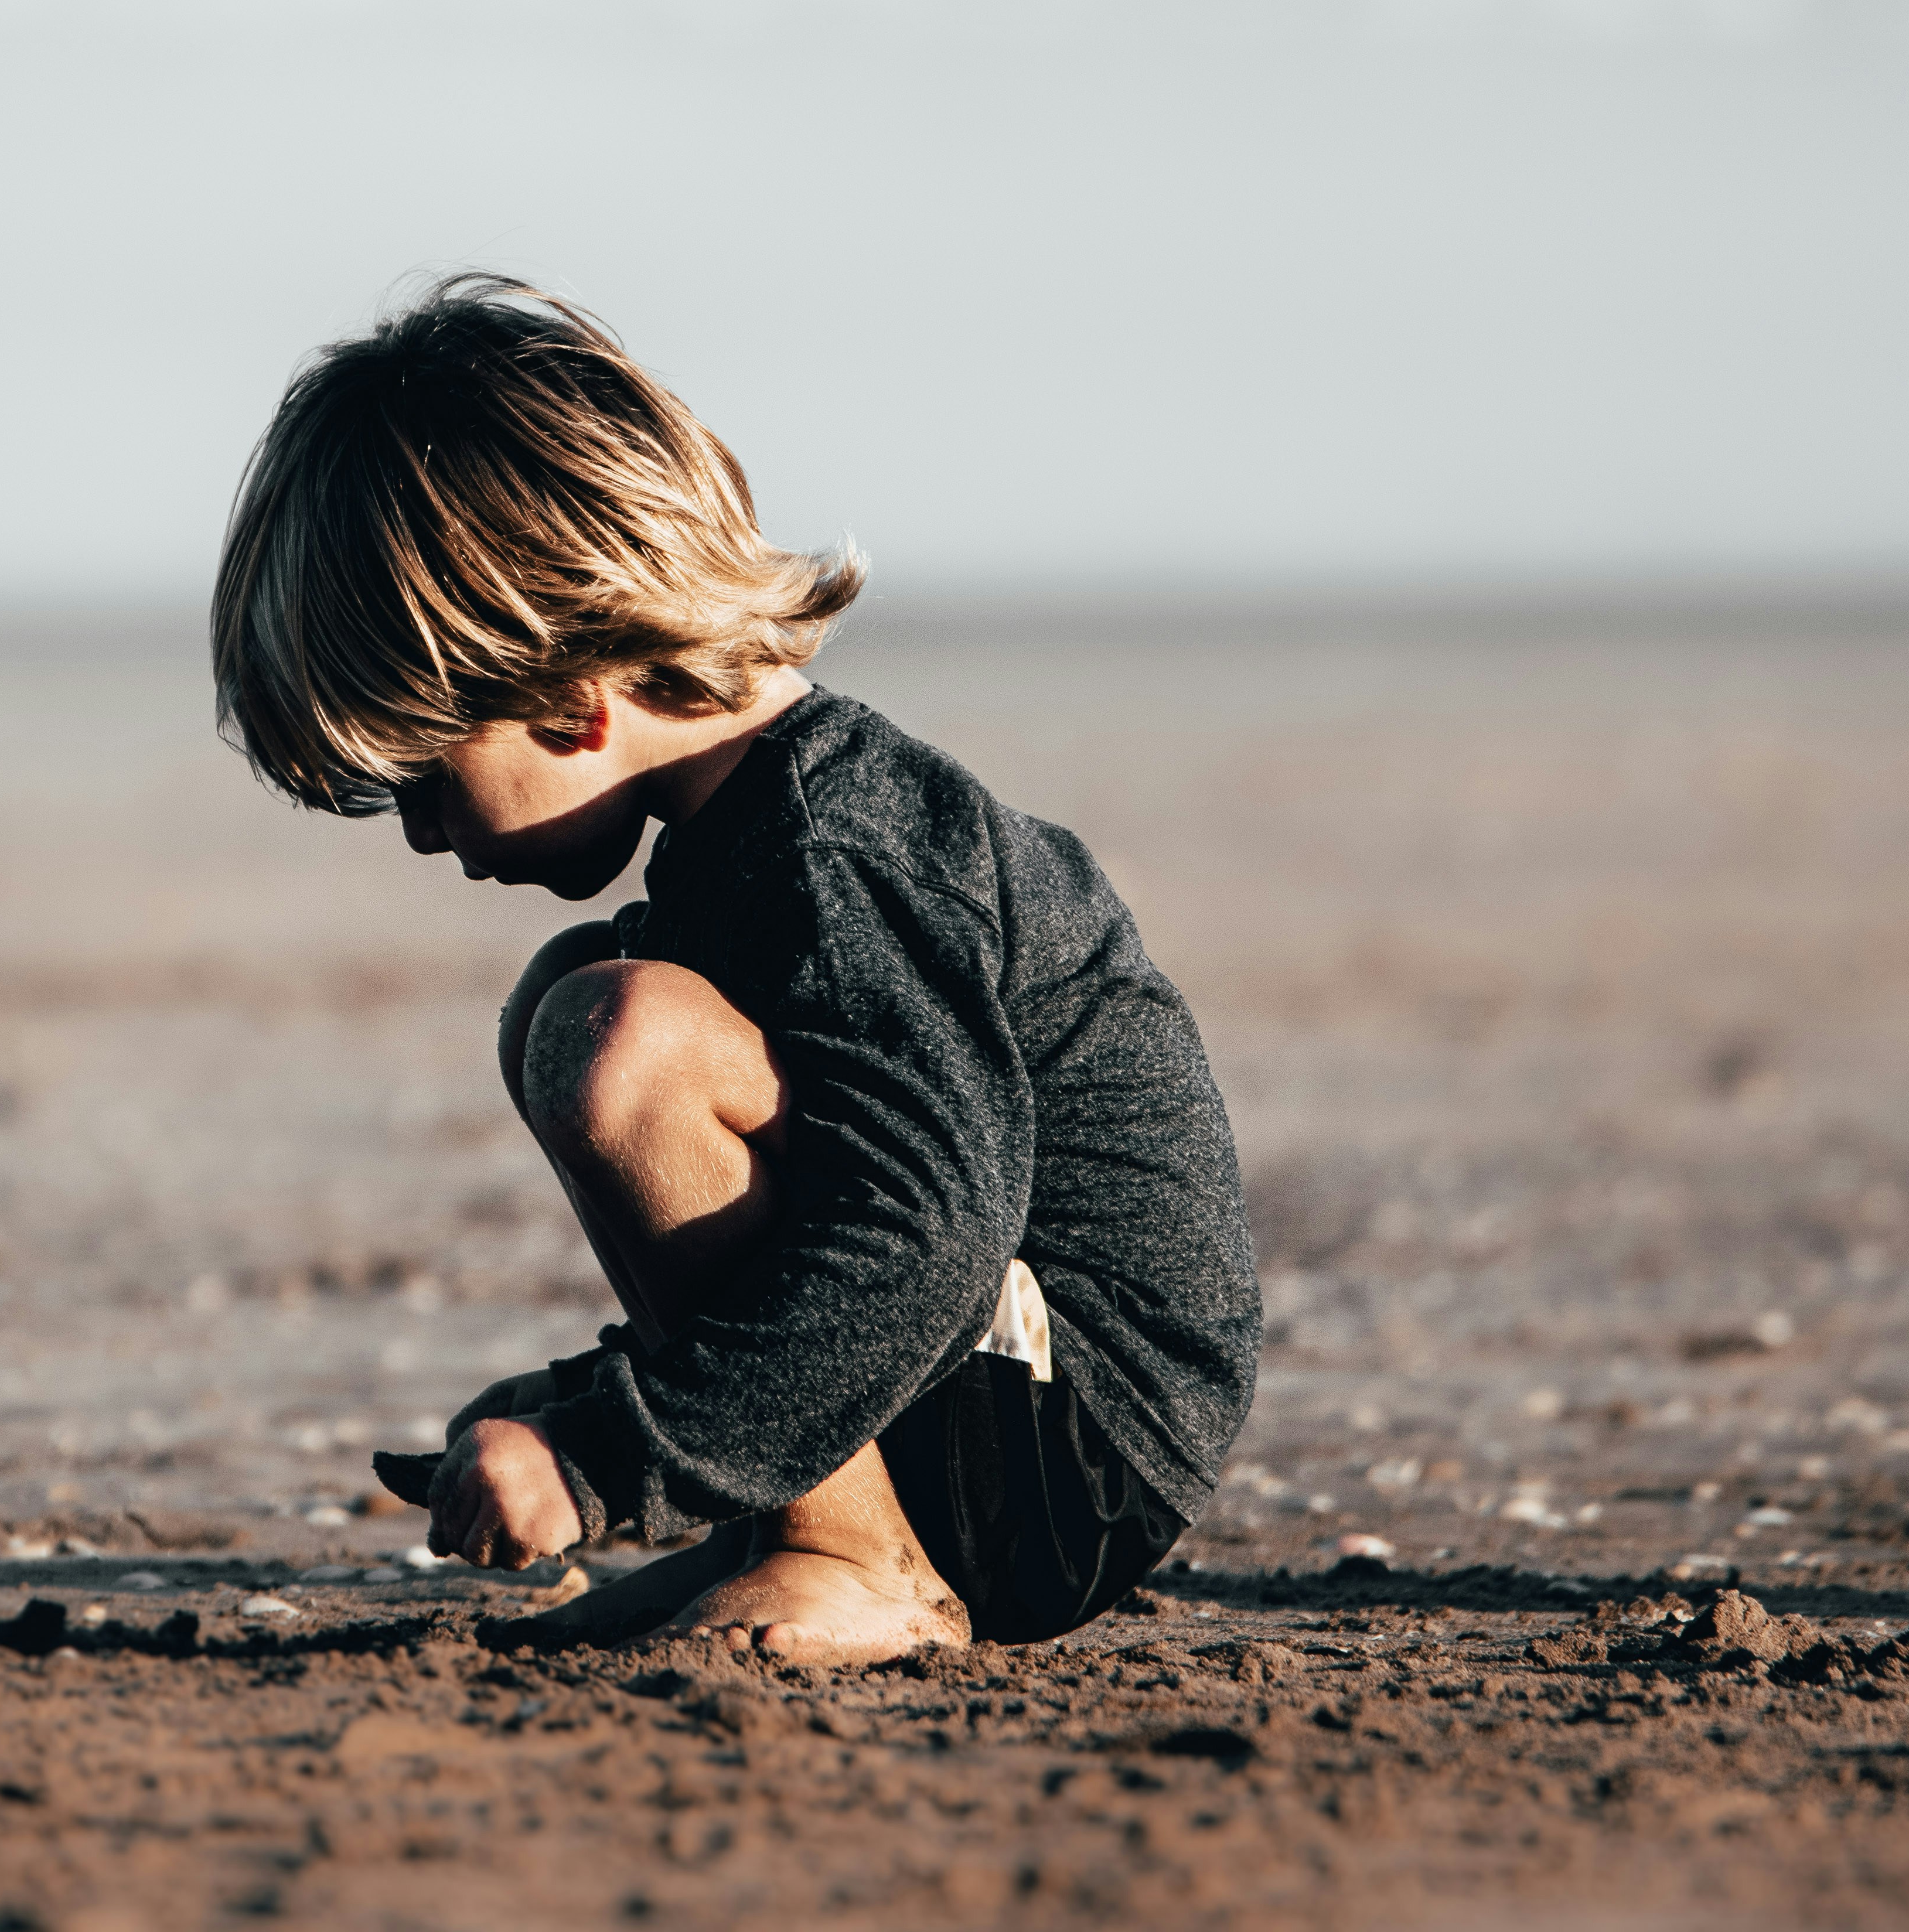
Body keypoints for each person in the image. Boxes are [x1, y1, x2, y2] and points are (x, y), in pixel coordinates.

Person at [205, 274, 1260, 1666]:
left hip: (1076, 1445)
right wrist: (594, 1398)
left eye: (424, 775)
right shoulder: (750, 835)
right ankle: (799, 1520)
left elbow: (929, 1226)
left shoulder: (836, 846)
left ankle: (858, 1554)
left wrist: (607, 1446)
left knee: (619, 1040)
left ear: (569, 697)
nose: (418, 832)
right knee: (572, 998)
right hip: (983, 1385)